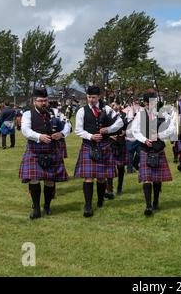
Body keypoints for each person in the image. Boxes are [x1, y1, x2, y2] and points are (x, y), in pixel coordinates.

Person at [19, 87, 70, 219]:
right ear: (34, 101)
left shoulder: (55, 112)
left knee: (50, 181)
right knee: (34, 179)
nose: (43, 103)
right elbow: (25, 130)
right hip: (35, 150)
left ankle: (47, 206)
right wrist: (39, 136)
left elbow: (68, 125)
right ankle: (36, 207)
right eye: (40, 100)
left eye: (45, 100)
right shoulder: (27, 114)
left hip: (52, 149)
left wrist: (62, 133)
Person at [74, 86, 123, 218]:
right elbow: (78, 130)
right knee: (88, 176)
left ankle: (100, 200)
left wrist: (107, 130)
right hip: (89, 145)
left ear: (99, 97)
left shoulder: (107, 109)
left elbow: (120, 122)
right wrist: (90, 136)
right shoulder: (81, 111)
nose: (91, 100)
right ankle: (88, 205)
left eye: (93, 97)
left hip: (104, 145)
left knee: (102, 177)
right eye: (89, 97)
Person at [132, 89, 175, 216]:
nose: (151, 105)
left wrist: (159, 135)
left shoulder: (162, 114)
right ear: (145, 103)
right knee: (147, 178)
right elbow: (135, 130)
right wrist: (145, 140)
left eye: (154, 102)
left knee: (157, 179)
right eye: (149, 103)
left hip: (158, 149)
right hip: (145, 149)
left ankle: (156, 201)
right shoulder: (140, 115)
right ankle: (148, 206)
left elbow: (171, 128)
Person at [109, 98, 128, 195]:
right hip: (110, 143)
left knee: (120, 166)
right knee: (109, 166)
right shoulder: (107, 115)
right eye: (112, 105)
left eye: (116, 104)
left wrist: (124, 132)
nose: (114, 106)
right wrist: (110, 135)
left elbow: (129, 128)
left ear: (119, 105)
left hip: (120, 143)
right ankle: (110, 189)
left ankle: (119, 187)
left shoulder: (124, 115)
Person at [123, 98, 140, 174]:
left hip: (138, 137)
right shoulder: (126, 112)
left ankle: (135, 164)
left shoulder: (140, 112)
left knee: (140, 153)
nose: (137, 105)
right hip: (129, 137)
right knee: (130, 155)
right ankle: (129, 169)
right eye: (135, 103)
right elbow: (122, 123)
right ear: (132, 104)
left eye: (138, 103)